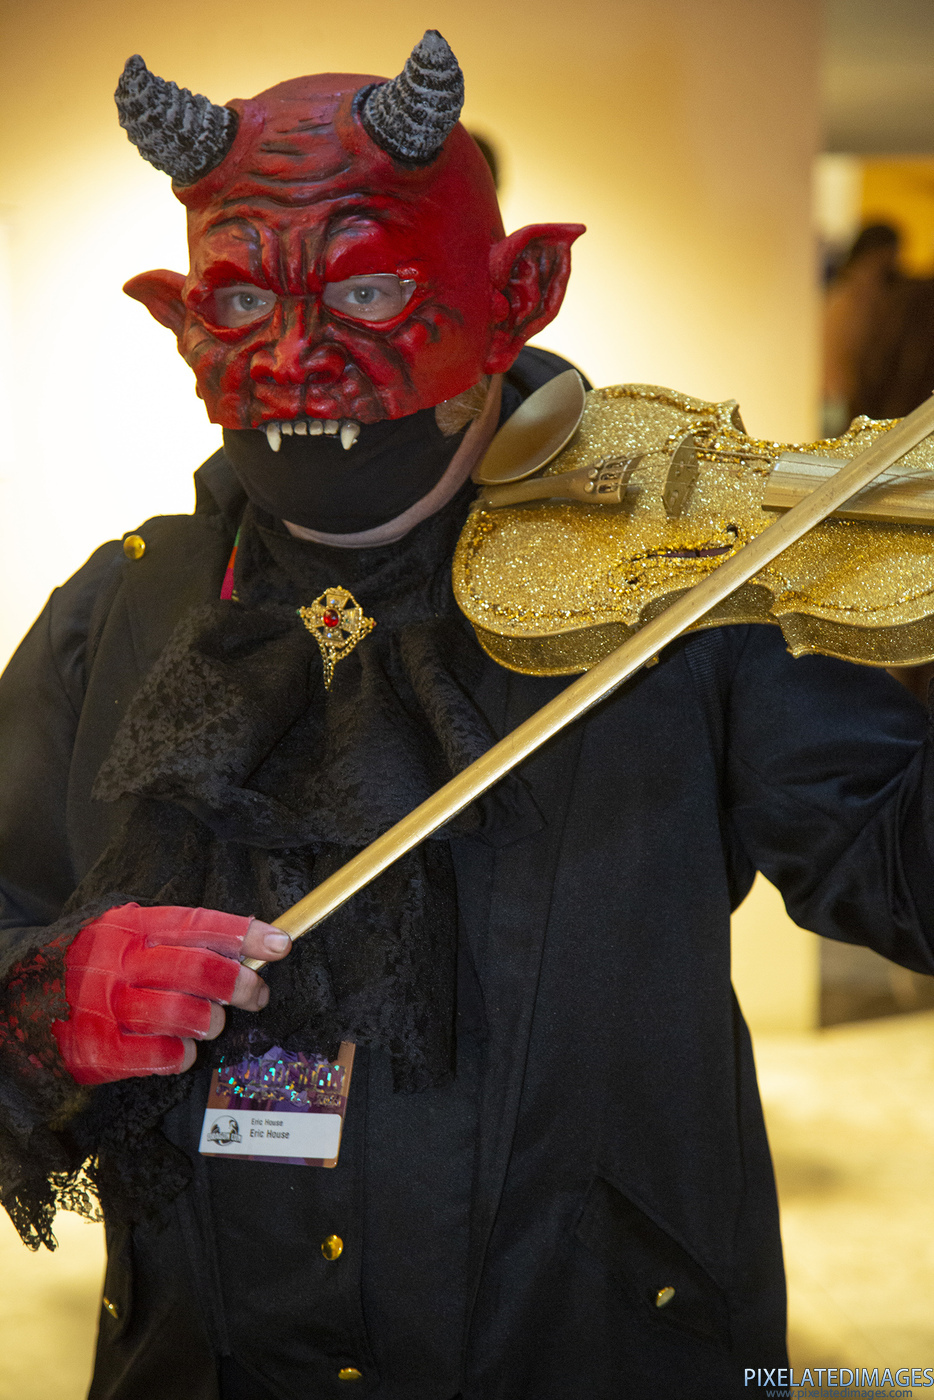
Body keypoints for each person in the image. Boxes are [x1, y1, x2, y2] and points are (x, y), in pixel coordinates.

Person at [1, 31, 933, 1400]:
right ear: (180, 319)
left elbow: (906, 877)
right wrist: (49, 996)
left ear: (515, 299)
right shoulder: (120, 610)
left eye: (370, 289)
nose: (299, 355)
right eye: (244, 299)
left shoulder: (689, 587)